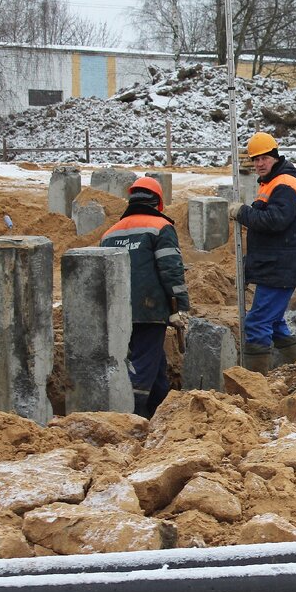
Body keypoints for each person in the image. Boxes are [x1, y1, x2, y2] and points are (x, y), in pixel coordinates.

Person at [100, 176, 190, 418]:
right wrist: (180, 306)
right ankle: (135, 415)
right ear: (158, 202)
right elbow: (171, 269)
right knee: (143, 366)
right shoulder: (161, 227)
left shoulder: (110, 232)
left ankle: (159, 410)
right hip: (150, 310)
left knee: (154, 364)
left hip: (117, 312)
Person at [230, 131, 296, 373]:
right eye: (255, 159)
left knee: (257, 323)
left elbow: (275, 221)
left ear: (275, 156)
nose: (259, 164)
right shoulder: (272, 182)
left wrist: (243, 213)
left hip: (279, 266)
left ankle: (254, 385)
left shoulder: (284, 183)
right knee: (274, 324)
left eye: (264, 158)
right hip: (276, 264)